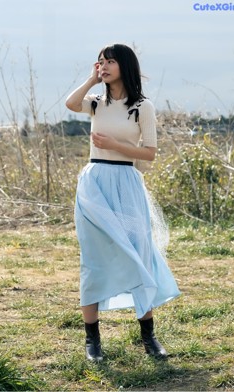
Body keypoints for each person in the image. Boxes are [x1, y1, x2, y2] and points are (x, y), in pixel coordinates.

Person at [65, 43, 180, 362]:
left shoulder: (143, 106)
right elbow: (70, 103)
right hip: (95, 184)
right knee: (93, 258)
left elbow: (150, 154)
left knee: (138, 252)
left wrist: (115, 144)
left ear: (124, 65)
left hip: (127, 183)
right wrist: (90, 80)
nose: (103, 65)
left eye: (109, 61)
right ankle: (93, 341)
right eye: (100, 61)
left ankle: (149, 337)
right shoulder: (96, 103)